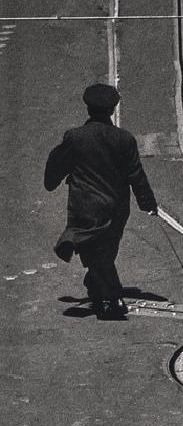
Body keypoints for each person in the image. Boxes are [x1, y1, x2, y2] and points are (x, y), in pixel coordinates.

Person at [44, 83, 158, 320]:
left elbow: (57, 164)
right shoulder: (124, 139)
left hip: (85, 206)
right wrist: (147, 203)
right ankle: (111, 296)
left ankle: (99, 285)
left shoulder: (75, 137)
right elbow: (136, 174)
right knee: (105, 251)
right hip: (116, 207)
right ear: (113, 109)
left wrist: (52, 180)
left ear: (88, 108)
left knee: (95, 252)